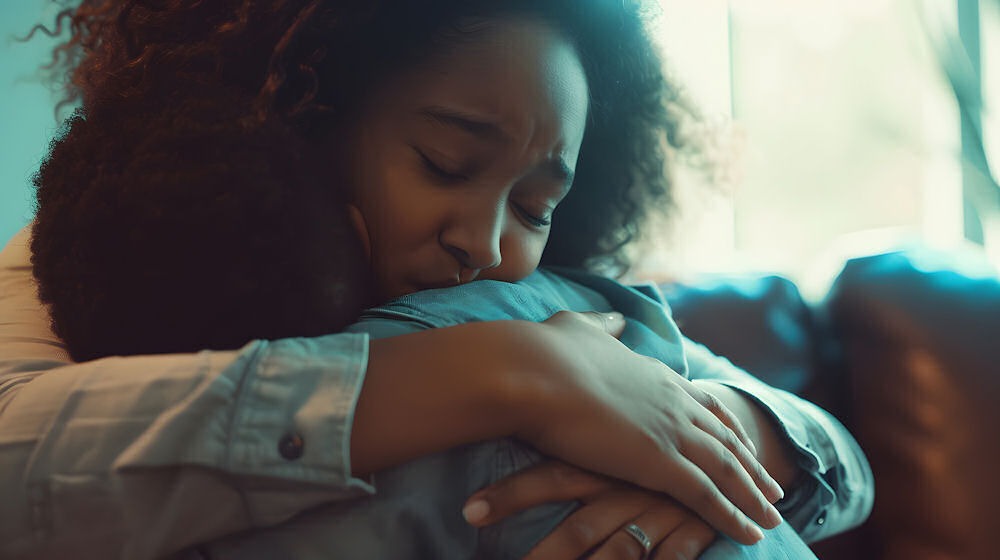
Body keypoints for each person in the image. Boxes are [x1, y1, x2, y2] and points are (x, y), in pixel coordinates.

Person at [0, 1, 873, 558]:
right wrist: (508, 375)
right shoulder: (109, 249)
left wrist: (715, 444)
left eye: (535, 206)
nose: (487, 244)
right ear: (307, 111)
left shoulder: (568, 301)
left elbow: (844, 459)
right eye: (446, 162)